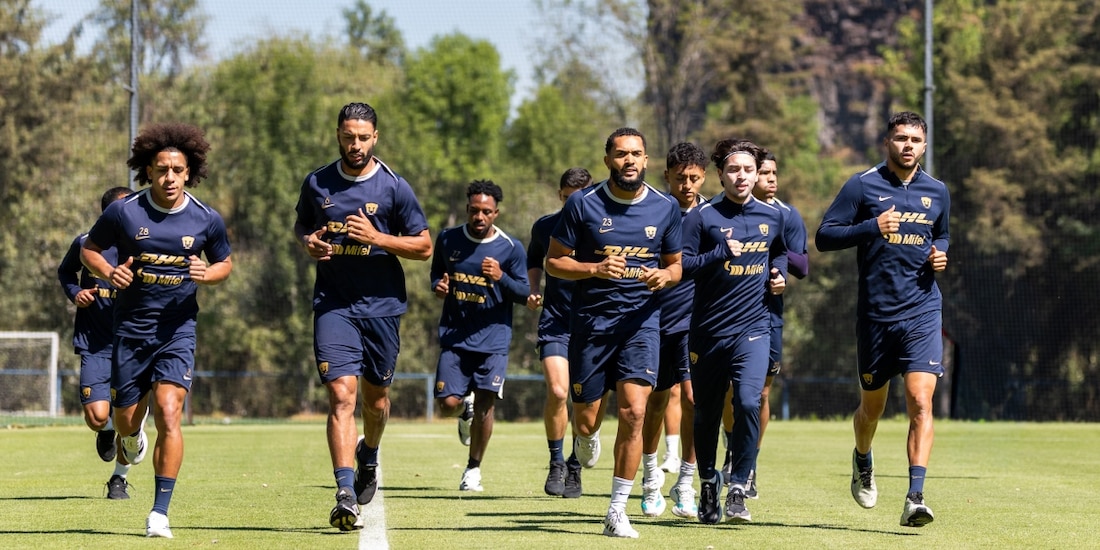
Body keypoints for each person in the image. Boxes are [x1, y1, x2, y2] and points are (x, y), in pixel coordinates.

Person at [81, 122, 234, 538]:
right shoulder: (124, 211)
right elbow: (88, 250)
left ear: (190, 173)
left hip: (177, 330)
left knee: (170, 412)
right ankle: (131, 441)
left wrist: (209, 273)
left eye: (177, 169)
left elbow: (224, 262)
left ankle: (159, 513)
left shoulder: (206, 219)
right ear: (148, 171)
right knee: (127, 422)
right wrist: (110, 271)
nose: (169, 177)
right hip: (130, 332)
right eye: (161, 168)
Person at [294, 102, 433, 531]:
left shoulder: (394, 187)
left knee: (376, 402)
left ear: (376, 137)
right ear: (338, 134)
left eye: (363, 137)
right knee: (341, 395)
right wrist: (309, 243)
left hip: (382, 309)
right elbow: (302, 226)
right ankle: (344, 492)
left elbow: (424, 246)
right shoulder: (318, 182)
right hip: (334, 305)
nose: (355, 145)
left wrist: (379, 238)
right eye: (348, 136)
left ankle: (368, 454)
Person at [546, 127, 683, 539]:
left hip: (642, 324)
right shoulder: (583, 206)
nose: (629, 161)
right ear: (607, 160)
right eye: (621, 154)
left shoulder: (665, 207)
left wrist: (665, 275)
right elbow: (555, 263)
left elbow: (676, 264)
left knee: (635, 412)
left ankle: (617, 509)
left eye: (636, 154)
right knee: (586, 421)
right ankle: (585, 439)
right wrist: (594, 269)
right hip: (591, 325)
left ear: (646, 160)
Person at [816, 111, 949, 528]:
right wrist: (872, 226)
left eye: (915, 139)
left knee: (920, 400)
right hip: (875, 317)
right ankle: (862, 459)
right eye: (900, 138)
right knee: (871, 409)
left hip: (923, 310)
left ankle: (915, 496)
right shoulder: (862, 185)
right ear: (886, 143)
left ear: (924, 146)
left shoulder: (938, 191)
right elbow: (825, 236)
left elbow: (941, 233)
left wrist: (940, 252)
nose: (907, 145)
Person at [681, 138, 787, 525]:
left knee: (747, 402)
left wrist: (779, 274)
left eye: (748, 169)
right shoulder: (702, 217)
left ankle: (739, 485)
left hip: (754, 329)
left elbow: (779, 251)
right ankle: (708, 482)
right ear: (721, 175)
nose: (741, 176)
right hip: (708, 331)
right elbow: (683, 267)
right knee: (707, 413)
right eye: (733, 170)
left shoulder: (772, 216)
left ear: (757, 174)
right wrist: (719, 254)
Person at [718, 151, 810, 498]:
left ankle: (749, 462)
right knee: (730, 392)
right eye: (764, 173)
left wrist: (781, 265)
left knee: (759, 393)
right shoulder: (725, 213)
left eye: (774, 173)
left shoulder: (786, 216)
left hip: (767, 316)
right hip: (724, 318)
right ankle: (733, 446)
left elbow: (802, 266)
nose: (771, 179)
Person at [431, 180, 529, 492]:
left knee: (487, 405)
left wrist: (501, 277)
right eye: (474, 210)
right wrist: (438, 286)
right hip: (456, 338)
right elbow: (437, 274)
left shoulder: (510, 248)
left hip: (493, 340)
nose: (479, 216)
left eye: (486, 211)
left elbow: (526, 293)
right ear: (467, 209)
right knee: (447, 403)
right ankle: (463, 411)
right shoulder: (448, 239)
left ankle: (473, 469)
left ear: (496, 213)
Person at [639, 142, 708, 519]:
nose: (687, 184)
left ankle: (685, 483)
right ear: (666, 176)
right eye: (680, 178)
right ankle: (650, 481)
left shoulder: (713, 214)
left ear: (703, 177)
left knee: (695, 401)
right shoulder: (653, 209)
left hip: (695, 325)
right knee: (655, 403)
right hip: (652, 321)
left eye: (694, 178)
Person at [58, 186, 133, 500]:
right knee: (98, 416)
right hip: (96, 344)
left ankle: (119, 478)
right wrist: (77, 293)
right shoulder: (86, 244)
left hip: (133, 345)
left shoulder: (144, 247)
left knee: (128, 420)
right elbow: (66, 272)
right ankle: (105, 432)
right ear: (107, 215)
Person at [525, 167, 594, 498]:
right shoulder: (545, 226)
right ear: (560, 195)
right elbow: (534, 257)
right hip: (556, 321)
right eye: (567, 199)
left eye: (578, 199)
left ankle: (575, 465)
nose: (572, 206)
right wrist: (534, 288)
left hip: (595, 324)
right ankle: (556, 462)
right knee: (557, 390)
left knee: (586, 404)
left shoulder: (604, 226)